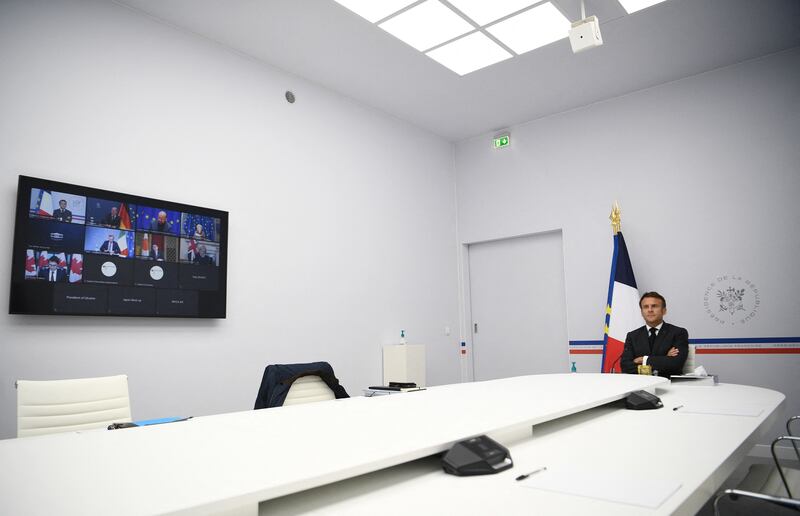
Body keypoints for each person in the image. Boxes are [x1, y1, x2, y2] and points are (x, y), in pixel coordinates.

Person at [621, 291, 689, 377]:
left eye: (654, 306)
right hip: (640, 383)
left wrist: (643, 359)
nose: (650, 310)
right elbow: (626, 366)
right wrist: (665, 358)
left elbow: (675, 364)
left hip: (668, 383)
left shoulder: (678, 333)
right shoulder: (632, 336)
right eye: (646, 307)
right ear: (641, 312)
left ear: (664, 311)